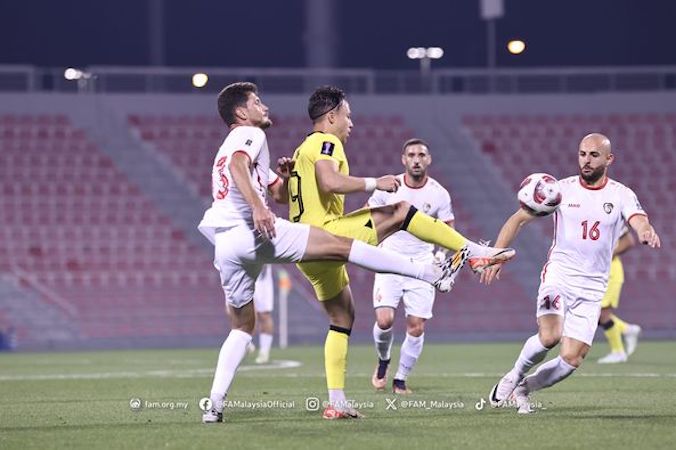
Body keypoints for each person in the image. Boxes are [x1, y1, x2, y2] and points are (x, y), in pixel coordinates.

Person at [198, 82, 462, 424]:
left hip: (225, 245)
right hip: (252, 232)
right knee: (338, 244)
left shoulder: (230, 146)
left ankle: (214, 404)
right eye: (256, 102)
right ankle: (429, 272)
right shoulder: (249, 135)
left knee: (242, 326)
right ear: (240, 112)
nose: (264, 106)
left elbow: (276, 193)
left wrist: (285, 180)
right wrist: (258, 209)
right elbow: (239, 165)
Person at [285, 85, 516, 419]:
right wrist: (374, 182)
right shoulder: (326, 141)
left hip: (305, 252)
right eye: (348, 115)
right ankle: (471, 252)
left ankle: (336, 401)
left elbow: (291, 193)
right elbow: (329, 182)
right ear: (331, 116)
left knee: (342, 319)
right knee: (401, 211)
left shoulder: (301, 149)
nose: (351, 122)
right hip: (325, 235)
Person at [484, 133, 660, 414]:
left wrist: (645, 231)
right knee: (550, 336)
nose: (586, 160)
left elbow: (638, 219)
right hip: (560, 277)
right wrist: (496, 255)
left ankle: (524, 388)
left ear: (609, 159)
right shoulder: (559, 191)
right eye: (582, 154)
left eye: (594, 155)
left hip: (593, 288)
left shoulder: (621, 194)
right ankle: (513, 375)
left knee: (572, 359)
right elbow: (518, 219)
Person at [368, 138, 455, 394]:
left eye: (421, 155)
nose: (416, 159)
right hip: (389, 260)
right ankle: (383, 360)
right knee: (384, 320)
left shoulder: (439, 193)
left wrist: (440, 256)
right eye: (411, 155)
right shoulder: (389, 187)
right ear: (403, 159)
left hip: (422, 265)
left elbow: (448, 230)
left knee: (416, 325)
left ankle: (400, 379)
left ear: (429, 159)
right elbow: (367, 215)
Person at [597, 229, 642, 363]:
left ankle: (618, 351)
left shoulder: (609, 218)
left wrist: (605, 256)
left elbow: (628, 241)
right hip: (596, 272)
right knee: (594, 313)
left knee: (601, 313)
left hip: (609, 272)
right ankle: (627, 330)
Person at [244, 265, 276, 364]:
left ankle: (264, 352)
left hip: (261, 276)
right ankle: (246, 343)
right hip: (243, 273)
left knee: (264, 314)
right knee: (243, 311)